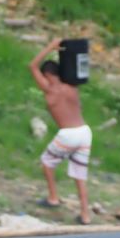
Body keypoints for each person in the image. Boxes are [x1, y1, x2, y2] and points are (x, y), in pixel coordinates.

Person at [30, 37, 92, 225]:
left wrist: (50, 46)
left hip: (68, 134)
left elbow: (32, 65)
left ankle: (53, 197)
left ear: (47, 75)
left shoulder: (50, 89)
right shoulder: (72, 87)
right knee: (79, 174)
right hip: (85, 132)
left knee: (47, 162)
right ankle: (85, 215)